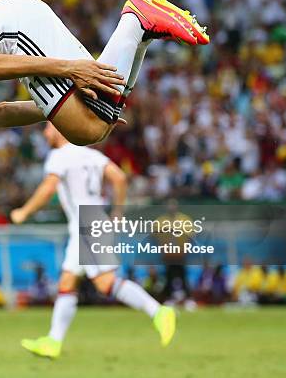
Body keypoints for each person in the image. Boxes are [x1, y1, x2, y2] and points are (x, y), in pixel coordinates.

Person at [0, 0, 209, 231]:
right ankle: (143, 33)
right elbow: (1, 114)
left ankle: (136, 20)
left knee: (87, 129)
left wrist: (70, 71)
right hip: (12, 28)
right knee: (96, 122)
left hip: (13, 32)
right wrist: (64, 107)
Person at [10, 123, 176, 359]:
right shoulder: (90, 153)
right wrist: (117, 213)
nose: (46, 133)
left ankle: (159, 311)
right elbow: (119, 178)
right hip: (92, 220)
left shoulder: (58, 156)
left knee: (105, 283)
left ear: (59, 130)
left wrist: (24, 212)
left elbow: (48, 189)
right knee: (67, 282)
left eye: (48, 127)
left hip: (87, 226)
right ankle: (53, 342)